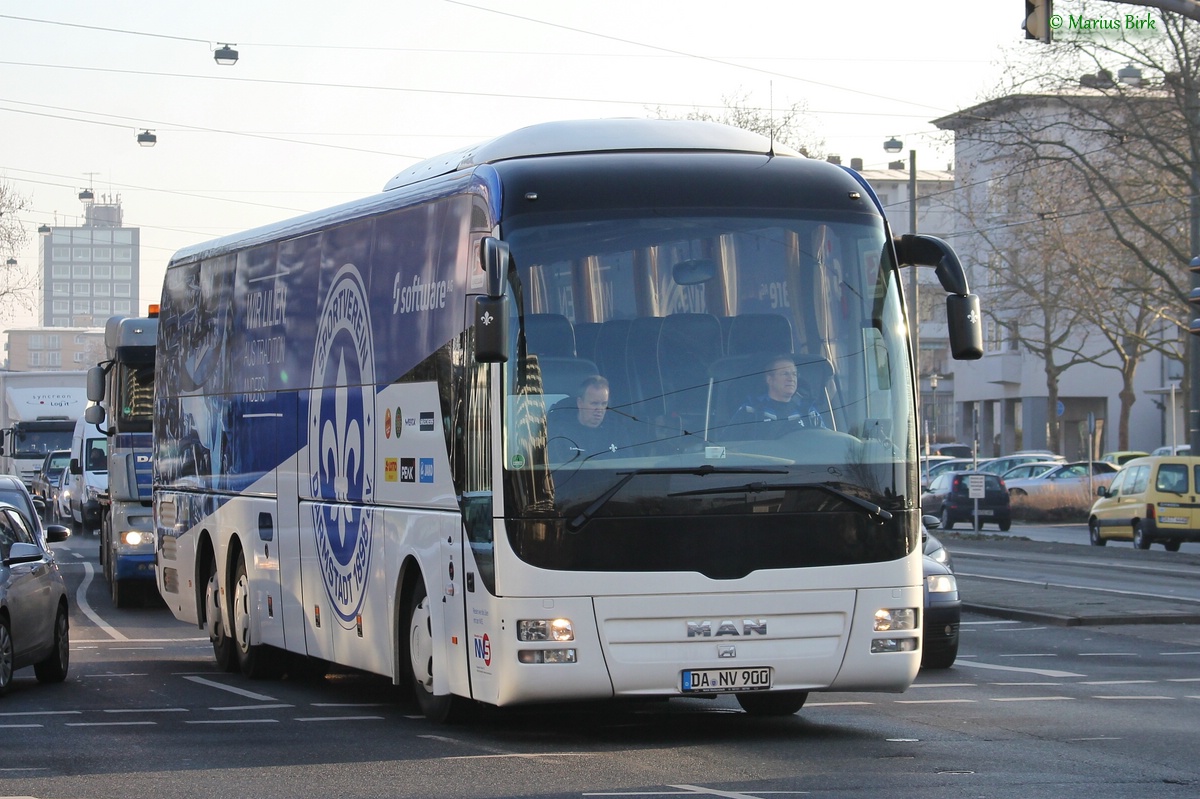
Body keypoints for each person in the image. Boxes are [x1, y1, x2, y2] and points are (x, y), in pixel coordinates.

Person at [728, 355, 827, 435]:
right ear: (769, 379)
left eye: (794, 374)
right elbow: (728, 449)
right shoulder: (750, 411)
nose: (791, 378)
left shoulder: (808, 412)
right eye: (785, 373)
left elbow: (824, 445)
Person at [547, 375, 630, 461]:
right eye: (594, 403)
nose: (600, 409)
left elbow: (629, 464)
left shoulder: (617, 430)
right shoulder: (560, 431)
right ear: (580, 403)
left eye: (604, 404)